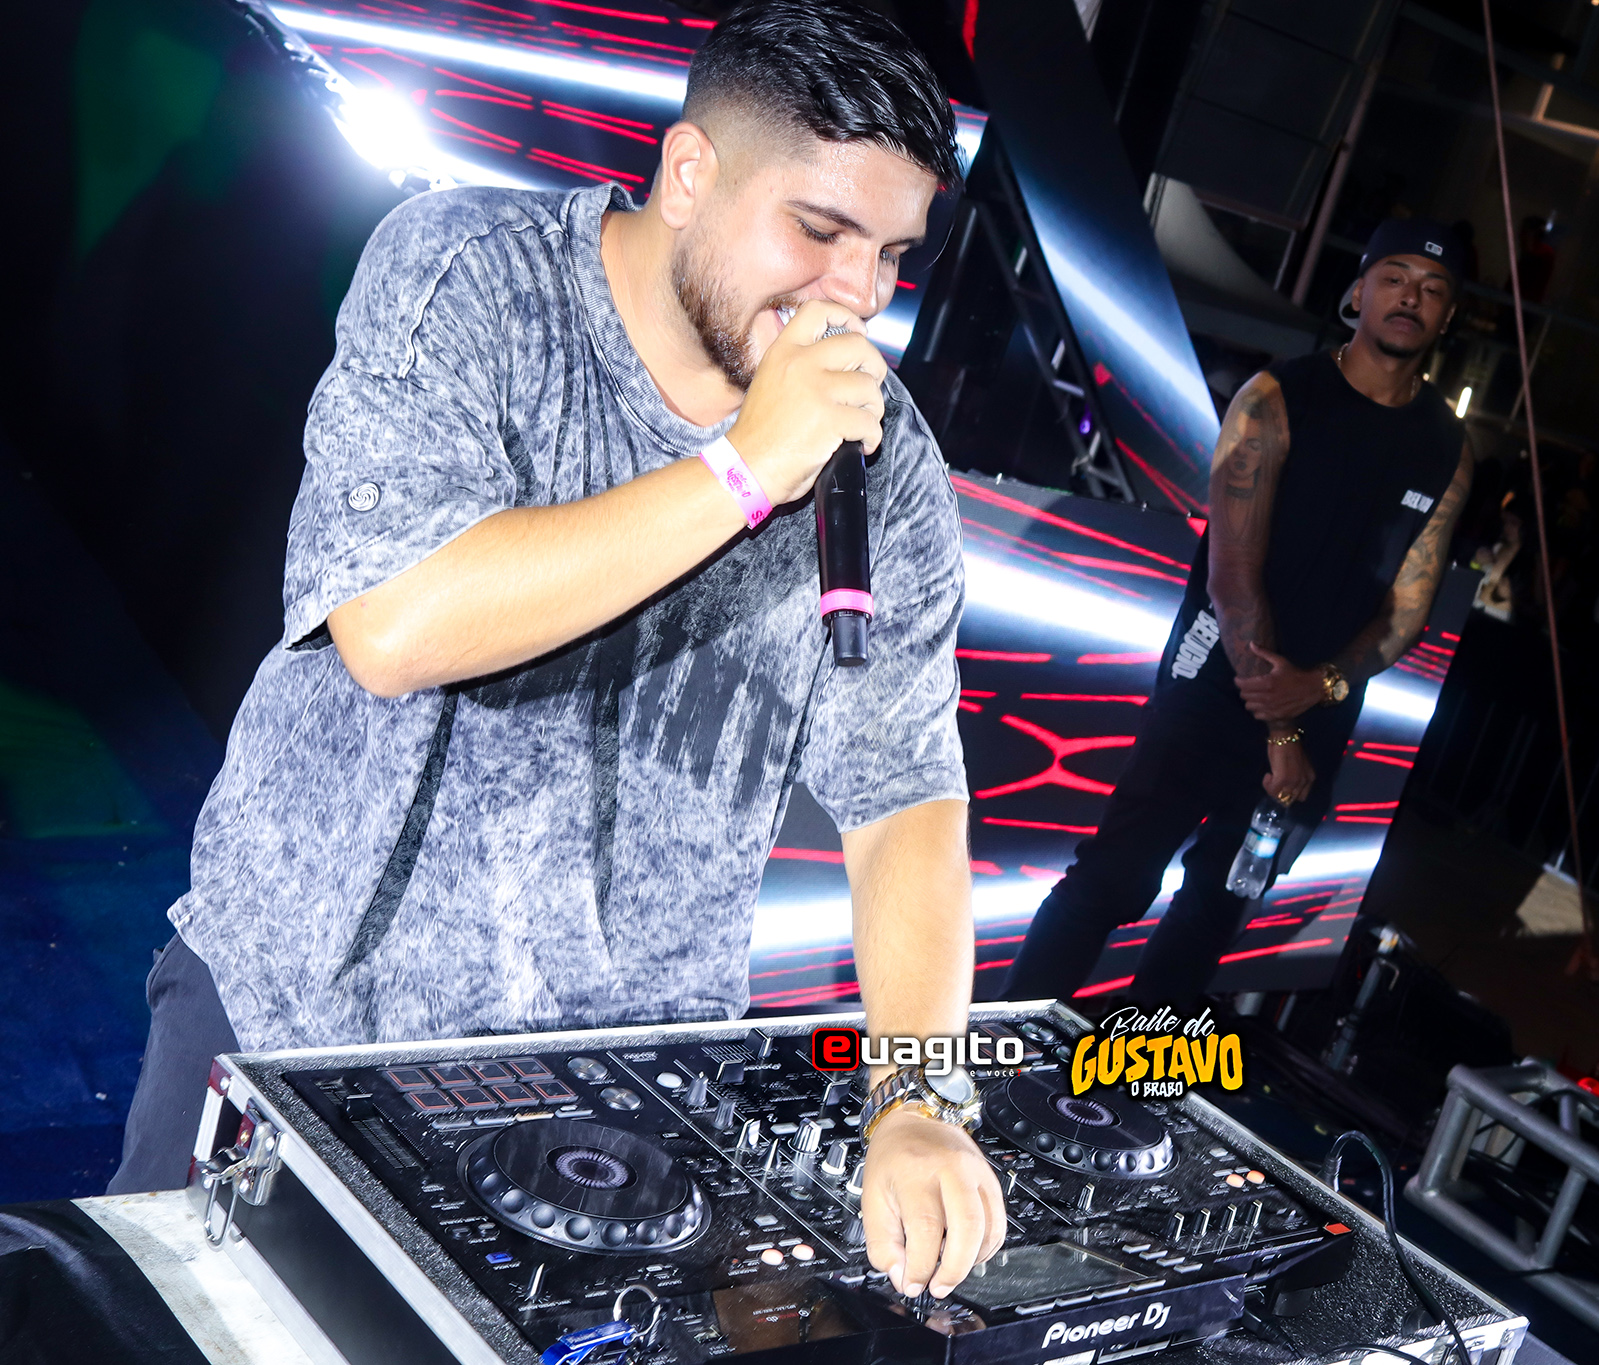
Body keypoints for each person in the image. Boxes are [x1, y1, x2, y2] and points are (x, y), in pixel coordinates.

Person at [110, 1, 1002, 1302]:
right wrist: (747, 469)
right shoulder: (471, 277)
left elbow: (905, 795)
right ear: (689, 174)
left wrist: (917, 1095)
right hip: (297, 1029)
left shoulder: (886, 463)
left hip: (610, 1098)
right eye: (819, 233)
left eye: (890, 255)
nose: (858, 296)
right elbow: (393, 624)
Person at [996, 219, 1475, 1003]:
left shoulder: (1447, 448)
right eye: (1393, 277)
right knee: (1115, 879)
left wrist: (1321, 688)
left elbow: (1408, 607)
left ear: (1448, 315)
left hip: (1321, 703)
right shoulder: (1278, 398)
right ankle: (1003, 1045)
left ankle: (1128, 1070)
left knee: (1214, 912)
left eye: (1431, 288)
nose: (1409, 297)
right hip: (1217, 676)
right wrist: (1282, 728)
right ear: (1358, 291)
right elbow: (1233, 576)